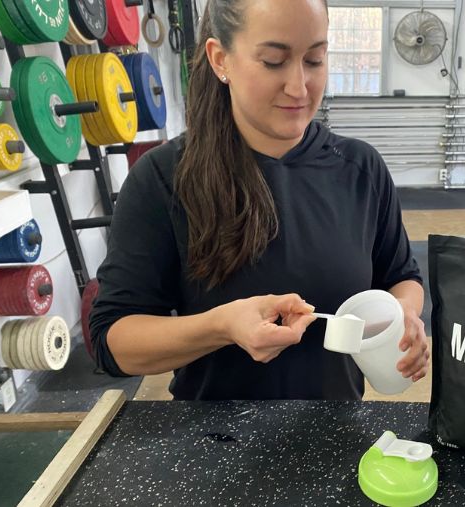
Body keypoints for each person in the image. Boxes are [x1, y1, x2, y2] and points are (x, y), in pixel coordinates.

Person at [89, 0, 429, 400]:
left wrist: (404, 316)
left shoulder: (360, 168)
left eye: (315, 59)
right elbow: (113, 342)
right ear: (221, 60)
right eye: (273, 61)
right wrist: (220, 327)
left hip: (336, 436)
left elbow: (400, 276)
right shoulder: (163, 179)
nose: (299, 87)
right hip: (214, 445)